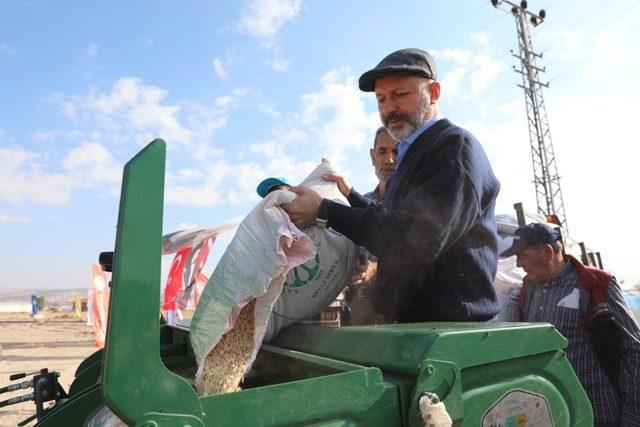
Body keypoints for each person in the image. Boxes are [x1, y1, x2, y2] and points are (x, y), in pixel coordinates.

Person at [283, 48, 501, 322]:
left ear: (433, 92)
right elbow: (395, 221)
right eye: (381, 99)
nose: (389, 109)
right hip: (415, 324)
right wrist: (352, 196)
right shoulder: (413, 152)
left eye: (400, 95)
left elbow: (413, 240)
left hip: (452, 328)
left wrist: (324, 211)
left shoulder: (452, 149)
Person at [502, 223, 640, 426]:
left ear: (548, 252)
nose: (519, 264)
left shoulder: (594, 283)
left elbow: (633, 350)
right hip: (553, 411)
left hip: (599, 412)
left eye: (523, 256)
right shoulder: (528, 290)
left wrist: (632, 417)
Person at [340, 127, 396, 324]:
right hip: (359, 307)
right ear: (373, 157)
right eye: (383, 151)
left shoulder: (411, 202)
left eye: (396, 151)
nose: (389, 160)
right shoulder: (362, 201)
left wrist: (375, 268)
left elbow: (416, 254)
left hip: (396, 309)